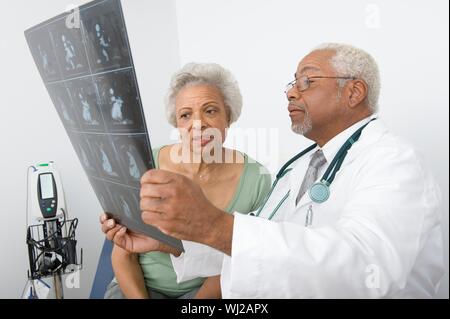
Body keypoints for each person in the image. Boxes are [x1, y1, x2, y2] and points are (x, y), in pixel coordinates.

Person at [101, 43, 445, 298]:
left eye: (307, 82)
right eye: (291, 84)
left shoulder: (393, 161)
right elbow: (259, 248)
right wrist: (168, 244)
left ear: (354, 91)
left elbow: (364, 269)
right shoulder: (298, 169)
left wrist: (216, 225)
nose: (291, 93)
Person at [103, 63, 271, 299]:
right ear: (177, 124)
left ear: (229, 116)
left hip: (206, 292)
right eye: (185, 115)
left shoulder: (256, 180)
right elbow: (123, 255)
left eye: (210, 111)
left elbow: (235, 262)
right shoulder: (142, 164)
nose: (198, 123)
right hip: (137, 287)